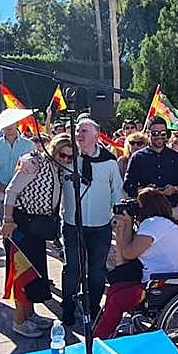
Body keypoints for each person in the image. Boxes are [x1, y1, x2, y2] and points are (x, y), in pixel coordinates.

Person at [95, 188, 178, 338]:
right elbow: (124, 259)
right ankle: (103, 333)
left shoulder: (154, 223)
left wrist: (127, 225)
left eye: (138, 205)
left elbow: (128, 253)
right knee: (115, 289)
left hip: (167, 283)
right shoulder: (160, 223)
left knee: (118, 300)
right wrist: (122, 228)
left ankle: (98, 339)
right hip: (162, 279)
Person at [2, 134, 69, 337]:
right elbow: (11, 191)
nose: (66, 159)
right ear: (53, 151)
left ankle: (30, 314)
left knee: (34, 273)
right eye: (62, 155)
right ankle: (19, 321)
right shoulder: (35, 162)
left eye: (70, 157)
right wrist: (7, 220)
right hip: (21, 224)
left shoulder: (59, 169)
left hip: (37, 228)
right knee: (21, 272)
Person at [59, 117, 124, 326]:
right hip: (72, 224)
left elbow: (117, 190)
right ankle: (68, 308)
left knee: (97, 271)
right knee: (72, 269)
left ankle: (93, 308)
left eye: (84, 131)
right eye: (77, 130)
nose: (79, 134)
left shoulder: (109, 161)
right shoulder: (66, 158)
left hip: (100, 226)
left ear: (96, 135)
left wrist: (118, 215)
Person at [123, 116, 178, 211]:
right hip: (146, 209)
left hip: (171, 208)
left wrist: (174, 189)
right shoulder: (137, 157)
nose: (159, 136)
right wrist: (144, 190)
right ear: (148, 134)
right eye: (155, 133)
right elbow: (128, 185)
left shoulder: (177, 157)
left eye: (163, 133)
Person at [0, 122, 35, 210]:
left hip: (23, 195)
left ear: (17, 124)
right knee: (3, 219)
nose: (9, 126)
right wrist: (0, 186)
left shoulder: (29, 145)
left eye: (12, 123)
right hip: (0, 195)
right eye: (6, 123)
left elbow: (34, 169)